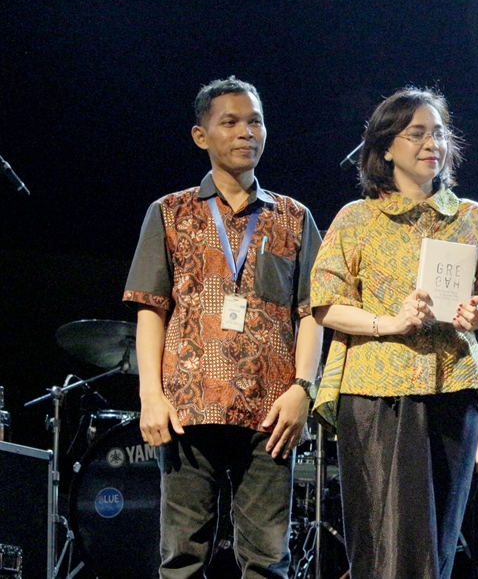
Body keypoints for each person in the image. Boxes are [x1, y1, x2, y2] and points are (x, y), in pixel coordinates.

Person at [123, 77, 323, 579]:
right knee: (182, 559)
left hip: (270, 412)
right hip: (188, 406)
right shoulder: (169, 213)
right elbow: (151, 308)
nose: (245, 132)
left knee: (267, 561)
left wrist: (303, 387)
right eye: (230, 122)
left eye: (254, 121)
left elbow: (313, 312)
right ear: (201, 135)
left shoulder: (294, 217)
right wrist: (151, 394)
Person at [310, 88, 478, 579]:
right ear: (386, 147)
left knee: (437, 537)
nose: (430, 143)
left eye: (438, 133)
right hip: (375, 390)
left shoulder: (472, 218)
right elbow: (325, 303)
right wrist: (389, 322)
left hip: (452, 382)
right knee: (380, 534)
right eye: (416, 133)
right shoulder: (357, 219)